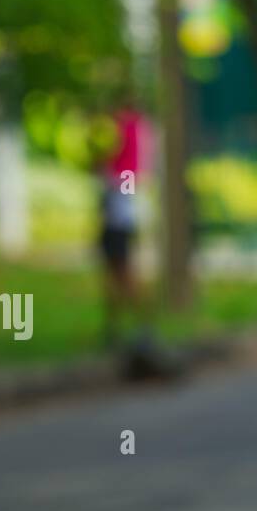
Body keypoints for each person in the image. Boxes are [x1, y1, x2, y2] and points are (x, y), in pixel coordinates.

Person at [98, 102, 150, 345]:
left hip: (118, 216)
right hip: (121, 214)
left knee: (122, 272)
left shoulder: (128, 129)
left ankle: (138, 325)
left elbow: (121, 177)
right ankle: (119, 327)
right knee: (116, 272)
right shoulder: (140, 131)